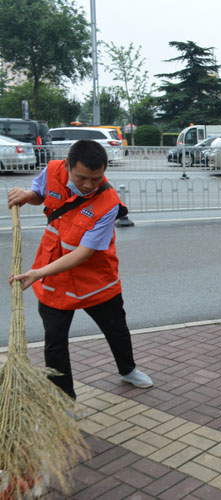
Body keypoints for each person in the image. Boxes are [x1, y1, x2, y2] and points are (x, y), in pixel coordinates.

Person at [7, 140, 152, 399]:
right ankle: (63, 397)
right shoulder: (52, 171)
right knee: (54, 341)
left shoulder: (109, 203)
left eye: (95, 179)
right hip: (53, 275)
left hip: (95, 279)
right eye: (81, 178)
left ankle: (128, 369)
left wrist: (37, 274)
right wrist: (28, 196)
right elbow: (40, 194)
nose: (88, 185)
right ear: (67, 166)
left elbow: (83, 254)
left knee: (116, 329)